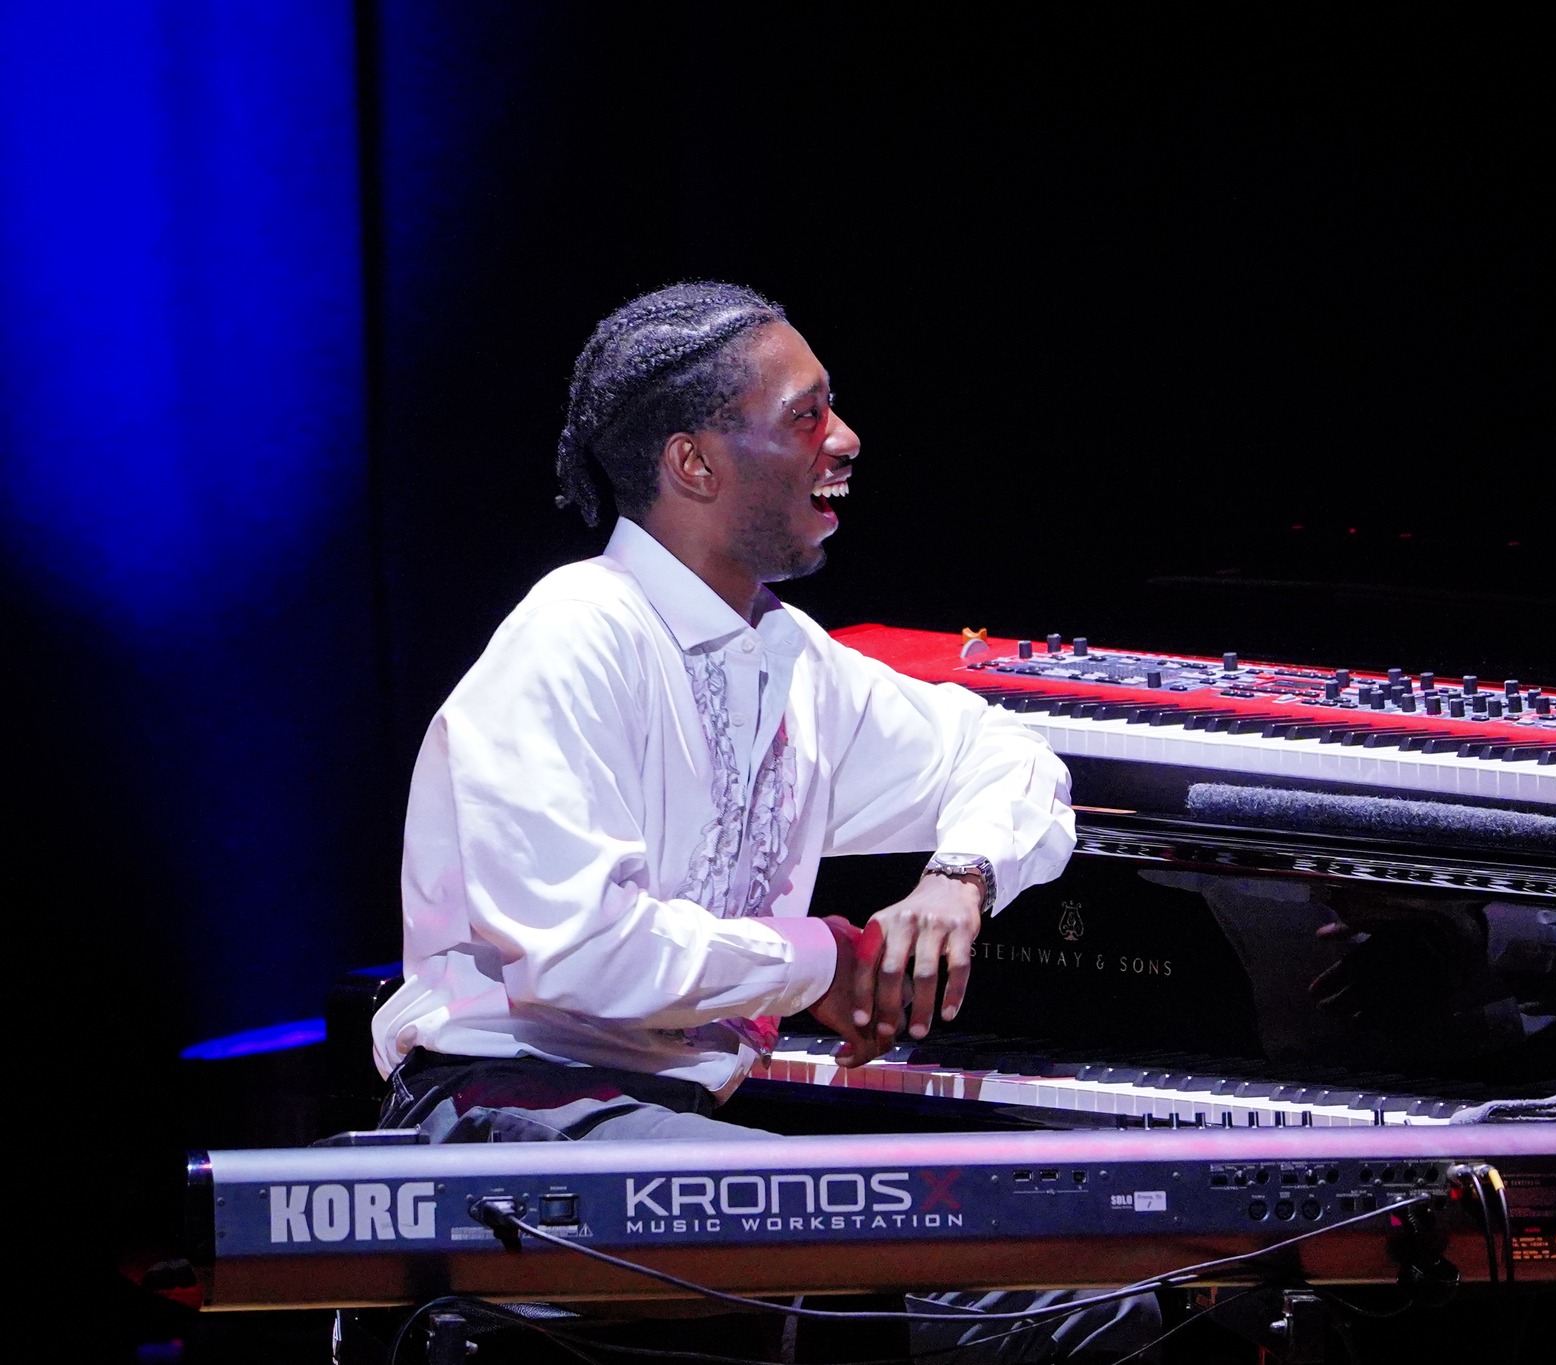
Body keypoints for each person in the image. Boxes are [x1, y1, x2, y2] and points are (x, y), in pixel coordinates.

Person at [358, 281, 1154, 1359]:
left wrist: (958, 876)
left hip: (667, 1126)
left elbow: (1012, 757)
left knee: (1094, 1291)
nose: (845, 440)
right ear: (693, 463)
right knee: (980, 1294)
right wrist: (821, 958)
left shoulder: (791, 657)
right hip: (510, 1117)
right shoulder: (573, 635)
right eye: (805, 416)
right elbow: (580, 952)